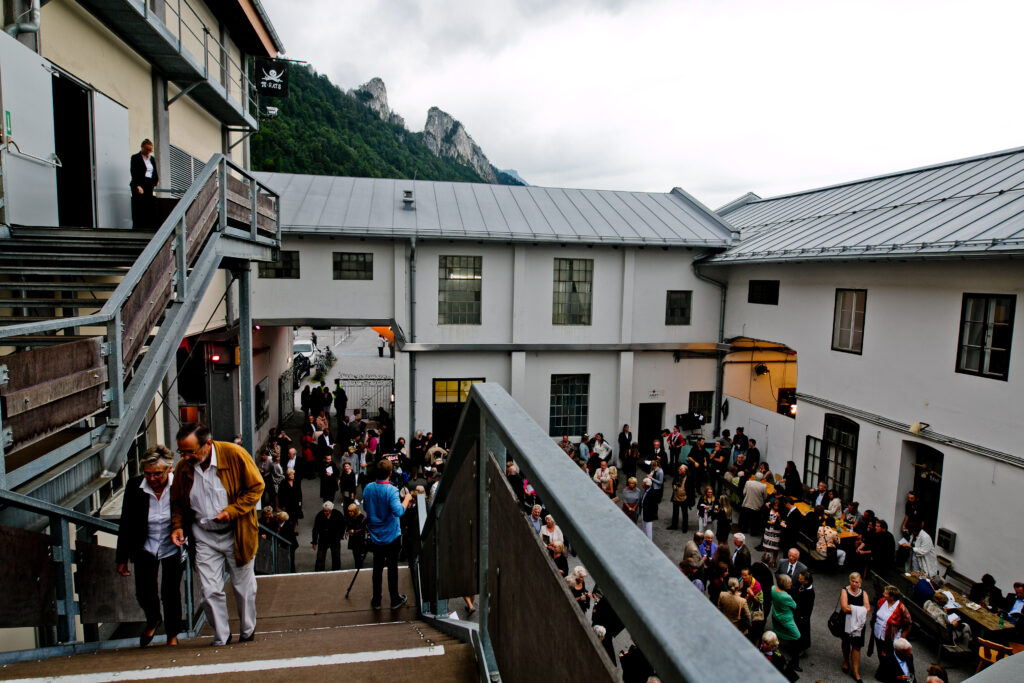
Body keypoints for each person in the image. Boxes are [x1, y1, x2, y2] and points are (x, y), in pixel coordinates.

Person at [170, 423, 263, 646]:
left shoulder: (235, 454)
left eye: (191, 451)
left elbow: (256, 487)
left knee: (243, 588)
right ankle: (221, 637)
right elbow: (177, 503)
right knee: (209, 590)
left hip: (236, 532)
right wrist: (177, 526)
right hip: (203, 534)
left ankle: (247, 631)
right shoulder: (183, 468)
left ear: (208, 444)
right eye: (182, 452)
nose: (186, 457)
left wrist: (232, 511)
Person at [115, 445, 183, 647]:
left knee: (170, 592)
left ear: (169, 470)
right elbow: (126, 522)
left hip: (173, 546)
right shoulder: (135, 486)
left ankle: (172, 636)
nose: (151, 479)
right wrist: (121, 558)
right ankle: (153, 619)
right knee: (144, 592)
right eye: (147, 474)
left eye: (157, 474)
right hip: (145, 546)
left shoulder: (179, 485)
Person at [362, 458, 412, 609]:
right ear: (390, 473)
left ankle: (377, 600)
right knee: (392, 568)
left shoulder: (368, 488)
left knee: (377, 568)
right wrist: (407, 500)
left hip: (375, 535)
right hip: (391, 535)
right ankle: (394, 599)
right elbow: (398, 511)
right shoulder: (391, 490)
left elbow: (366, 507)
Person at [871, 585, 912, 675]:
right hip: (878, 633)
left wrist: (903, 636)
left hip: (891, 637)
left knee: (888, 655)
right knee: (880, 653)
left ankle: (885, 673)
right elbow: (875, 614)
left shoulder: (901, 607)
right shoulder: (881, 601)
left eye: (886, 593)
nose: (883, 594)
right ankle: (883, 670)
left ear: (892, 597)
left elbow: (908, 622)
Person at [840, 571, 871, 683]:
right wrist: (859, 610)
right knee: (846, 642)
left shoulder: (864, 593)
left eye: (856, 582)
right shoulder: (845, 590)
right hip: (846, 621)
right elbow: (844, 608)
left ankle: (855, 670)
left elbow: (867, 609)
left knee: (857, 646)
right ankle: (845, 660)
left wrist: (853, 609)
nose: (854, 584)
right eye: (852, 581)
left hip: (859, 623)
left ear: (860, 583)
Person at [771, 574, 801, 671]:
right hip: (786, 619)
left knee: (777, 632)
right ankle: (795, 663)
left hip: (776, 615)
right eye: (789, 583)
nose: (791, 584)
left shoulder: (773, 589)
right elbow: (795, 606)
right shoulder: (786, 596)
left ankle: (774, 654)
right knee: (797, 636)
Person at [129, 139, 159, 229]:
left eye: (150, 150)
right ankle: (138, 226)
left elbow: (155, 172)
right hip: (139, 182)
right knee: (139, 205)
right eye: (147, 149)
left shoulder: (151, 159)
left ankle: (148, 225)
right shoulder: (135, 157)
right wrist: (137, 185)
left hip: (149, 183)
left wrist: (155, 181)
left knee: (148, 205)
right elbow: (133, 171)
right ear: (142, 148)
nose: (148, 152)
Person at [311, 500, 345, 571]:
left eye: (327, 511)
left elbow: (342, 525)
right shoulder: (319, 515)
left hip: (335, 540)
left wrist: (340, 536)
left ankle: (336, 570)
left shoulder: (338, 514)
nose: (325, 512)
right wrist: (314, 542)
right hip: (323, 540)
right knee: (320, 558)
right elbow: (315, 529)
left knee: (336, 557)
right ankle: (319, 571)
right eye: (324, 511)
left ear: (331, 510)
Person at [794, 570, 815, 657]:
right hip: (798, 612)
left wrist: (802, 616)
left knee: (803, 631)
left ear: (806, 581)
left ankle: (802, 648)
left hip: (803, 615)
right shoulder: (801, 586)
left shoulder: (810, 593)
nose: (798, 579)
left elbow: (807, 608)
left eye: (800, 578)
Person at [345, 503, 369, 568]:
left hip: (361, 540)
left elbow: (366, 529)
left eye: (351, 511)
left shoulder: (362, 518)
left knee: (360, 557)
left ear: (355, 511)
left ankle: (359, 569)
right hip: (353, 540)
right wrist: (347, 531)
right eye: (349, 511)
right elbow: (349, 525)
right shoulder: (350, 517)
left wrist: (355, 531)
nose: (349, 513)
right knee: (356, 556)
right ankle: (357, 568)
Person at [668, 465, 688, 531]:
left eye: (680, 470)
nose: (679, 471)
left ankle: (685, 527)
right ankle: (674, 525)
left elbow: (691, 489)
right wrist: (674, 486)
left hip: (684, 498)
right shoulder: (677, 476)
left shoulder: (688, 478)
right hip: (676, 497)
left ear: (684, 471)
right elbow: (674, 483)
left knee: (684, 513)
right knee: (675, 512)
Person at [762, 499, 782, 563]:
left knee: (775, 548)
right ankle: (766, 559)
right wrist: (768, 522)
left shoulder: (781, 512)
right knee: (766, 545)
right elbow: (764, 518)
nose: (776, 507)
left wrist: (779, 517)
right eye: (775, 506)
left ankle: (774, 561)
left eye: (777, 506)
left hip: (776, 532)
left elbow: (782, 522)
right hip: (768, 530)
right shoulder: (769, 510)